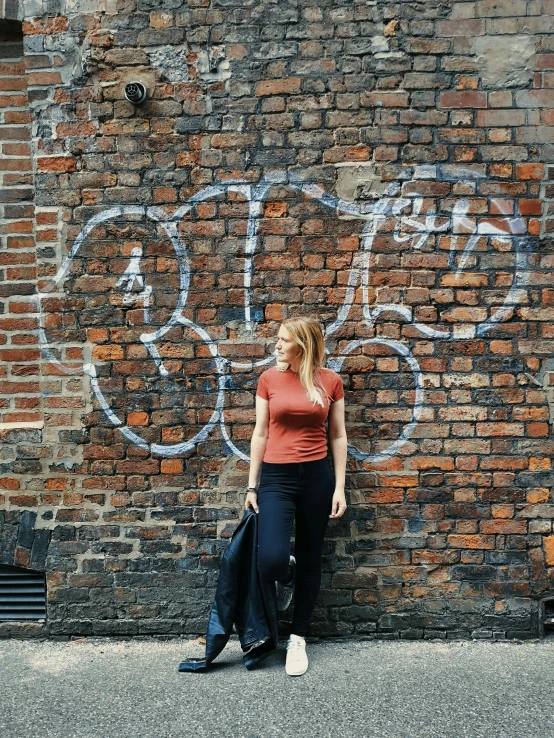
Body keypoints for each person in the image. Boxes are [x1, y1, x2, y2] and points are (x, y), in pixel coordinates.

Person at [245, 315, 348, 677]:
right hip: (277, 477)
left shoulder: (330, 381)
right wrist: (251, 484)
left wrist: (339, 486)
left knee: (310, 557)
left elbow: (337, 436)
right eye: (278, 339)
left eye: (284, 340)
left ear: (302, 345)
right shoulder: (269, 379)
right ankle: (284, 571)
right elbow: (260, 434)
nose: (276, 345)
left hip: (317, 477)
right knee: (271, 559)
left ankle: (298, 638)